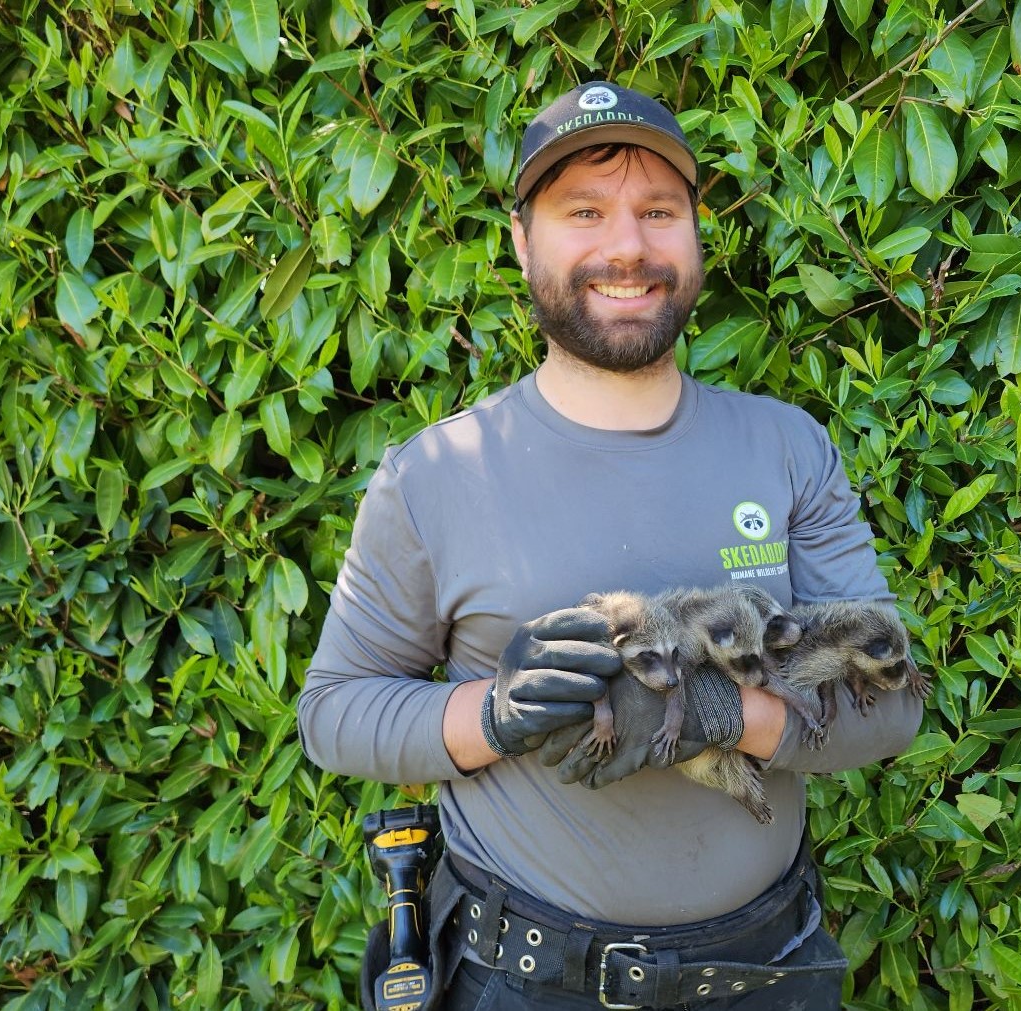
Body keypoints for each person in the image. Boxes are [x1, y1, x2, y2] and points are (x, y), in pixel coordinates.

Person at [298, 80, 925, 1010]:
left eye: (657, 211)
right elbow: (335, 712)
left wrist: (723, 713)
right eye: (583, 211)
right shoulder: (432, 476)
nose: (626, 246)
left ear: (695, 231)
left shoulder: (789, 448)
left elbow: (891, 704)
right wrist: (495, 714)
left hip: (767, 970)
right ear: (521, 240)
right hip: (525, 976)